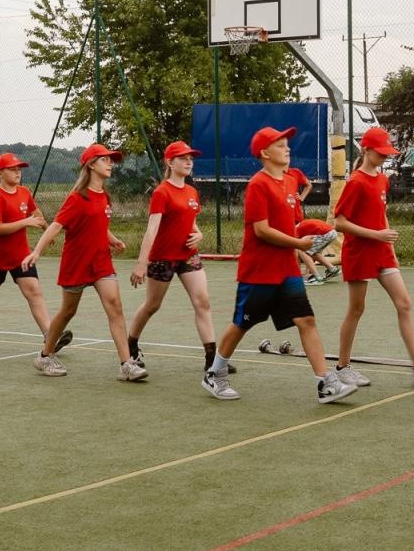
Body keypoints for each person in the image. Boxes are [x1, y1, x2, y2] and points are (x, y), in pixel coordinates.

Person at [201, 126, 358, 404]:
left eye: (287, 144)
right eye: (280, 144)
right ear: (264, 153)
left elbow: (289, 225)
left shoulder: (288, 183)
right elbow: (261, 230)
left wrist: (302, 240)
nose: (287, 148)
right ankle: (215, 374)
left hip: (287, 270)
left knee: (306, 320)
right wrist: (299, 244)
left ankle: (326, 383)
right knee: (242, 324)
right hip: (259, 272)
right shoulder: (258, 185)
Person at [330, 126, 414, 389]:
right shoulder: (355, 182)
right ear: (366, 150)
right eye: (381, 153)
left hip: (382, 252)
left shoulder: (382, 180)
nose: (385, 157)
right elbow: (339, 222)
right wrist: (375, 235)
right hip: (360, 253)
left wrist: (389, 247)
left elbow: (381, 216)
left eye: (387, 153)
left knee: (404, 303)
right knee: (357, 309)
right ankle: (342, 367)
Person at [22, 143, 146, 380]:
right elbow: (57, 226)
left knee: (115, 307)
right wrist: (37, 251)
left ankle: (126, 364)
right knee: (68, 311)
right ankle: (45, 356)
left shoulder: (105, 196)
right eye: (105, 160)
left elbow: (99, 225)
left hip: (101, 262)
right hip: (76, 263)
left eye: (111, 160)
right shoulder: (77, 198)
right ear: (91, 164)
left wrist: (113, 240)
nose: (110, 164)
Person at [127, 141, 224, 376]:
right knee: (152, 305)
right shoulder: (162, 192)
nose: (189, 161)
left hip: (188, 256)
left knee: (203, 301)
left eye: (191, 158)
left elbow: (190, 221)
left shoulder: (192, 192)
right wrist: (142, 263)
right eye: (183, 158)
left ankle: (212, 359)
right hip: (163, 258)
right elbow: (152, 230)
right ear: (170, 162)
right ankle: (131, 345)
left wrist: (198, 233)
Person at [0, 152, 71, 357]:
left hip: (21, 255)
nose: (17, 172)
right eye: (12, 169)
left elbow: (37, 214)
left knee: (34, 291)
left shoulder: (24, 192)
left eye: (19, 169)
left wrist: (46, 232)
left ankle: (50, 335)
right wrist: (25, 222)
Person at [295, 217, 340, 284]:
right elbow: (310, 253)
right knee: (314, 253)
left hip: (325, 233)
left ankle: (316, 277)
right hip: (332, 233)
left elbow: (296, 253)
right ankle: (332, 269)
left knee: (301, 250)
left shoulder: (294, 231)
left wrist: (296, 273)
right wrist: (307, 272)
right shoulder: (301, 227)